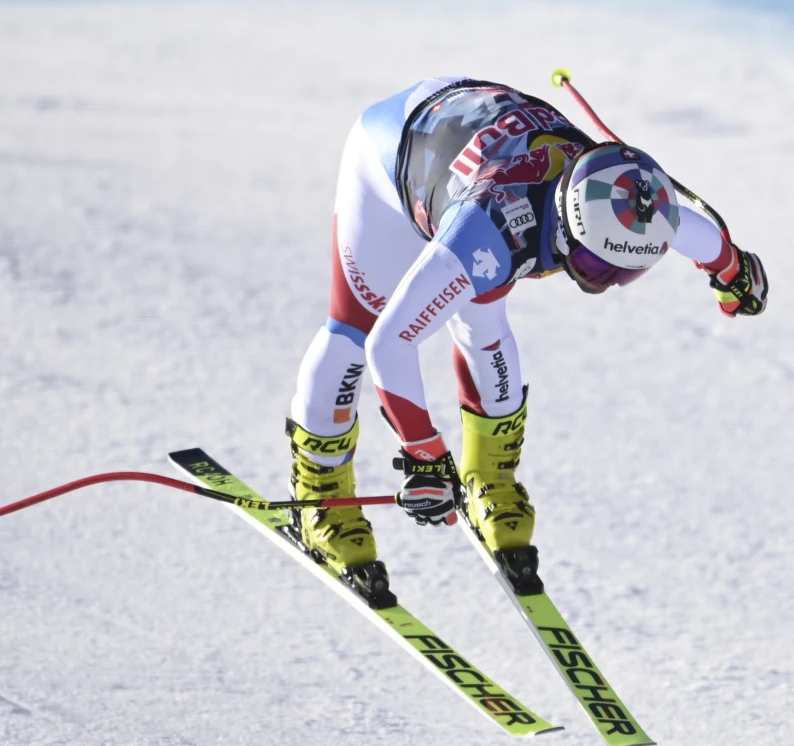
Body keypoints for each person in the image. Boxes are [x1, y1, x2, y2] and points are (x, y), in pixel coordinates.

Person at [285, 76, 767, 596]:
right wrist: (423, 452)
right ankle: (322, 492)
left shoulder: (625, 189)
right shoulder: (486, 230)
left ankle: (491, 477)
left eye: (620, 274)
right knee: (356, 328)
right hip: (389, 159)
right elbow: (391, 343)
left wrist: (731, 268)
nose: (600, 281)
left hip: (469, 147)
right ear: (568, 223)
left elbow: (692, 231)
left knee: (483, 320)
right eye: (592, 265)